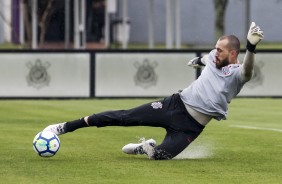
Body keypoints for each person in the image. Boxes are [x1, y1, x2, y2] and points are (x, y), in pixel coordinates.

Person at [43, 22, 263, 160]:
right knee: (124, 117)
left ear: (233, 54)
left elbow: (247, 70)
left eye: (220, 50)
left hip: (191, 128)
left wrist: (251, 47)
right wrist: (200, 60)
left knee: (160, 156)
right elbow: (208, 59)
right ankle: (65, 127)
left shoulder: (238, 74)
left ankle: (144, 147)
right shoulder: (214, 58)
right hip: (174, 106)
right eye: (215, 47)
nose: (215, 52)